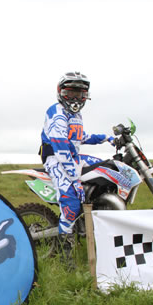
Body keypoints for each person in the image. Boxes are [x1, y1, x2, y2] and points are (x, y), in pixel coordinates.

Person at [39, 71, 113, 266]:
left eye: (80, 94)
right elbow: (61, 145)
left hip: (72, 156)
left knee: (105, 169)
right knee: (71, 202)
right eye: (70, 93)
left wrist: (107, 138)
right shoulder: (56, 112)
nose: (75, 98)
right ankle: (66, 258)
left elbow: (81, 137)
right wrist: (75, 180)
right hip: (55, 157)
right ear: (60, 92)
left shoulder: (76, 115)